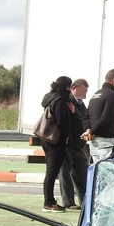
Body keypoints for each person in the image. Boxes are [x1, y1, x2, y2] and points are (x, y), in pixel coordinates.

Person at [39, 76, 73, 213]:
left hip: (46, 139)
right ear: (66, 87)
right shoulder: (60, 101)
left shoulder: (50, 97)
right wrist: (67, 135)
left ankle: (49, 201)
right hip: (55, 141)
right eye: (69, 87)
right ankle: (49, 202)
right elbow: (61, 121)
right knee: (52, 172)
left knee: (50, 172)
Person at [58, 78, 89, 210]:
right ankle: (68, 202)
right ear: (73, 88)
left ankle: (85, 202)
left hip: (79, 143)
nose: (85, 94)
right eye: (82, 90)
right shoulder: (67, 102)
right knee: (65, 173)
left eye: (86, 91)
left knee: (82, 173)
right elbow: (69, 121)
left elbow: (85, 119)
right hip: (68, 142)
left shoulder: (80, 104)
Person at [82, 69, 114, 162]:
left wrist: (89, 130)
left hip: (93, 141)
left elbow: (86, 116)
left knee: (98, 171)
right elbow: (106, 117)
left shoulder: (96, 94)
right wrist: (92, 132)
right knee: (109, 170)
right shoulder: (112, 95)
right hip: (106, 141)